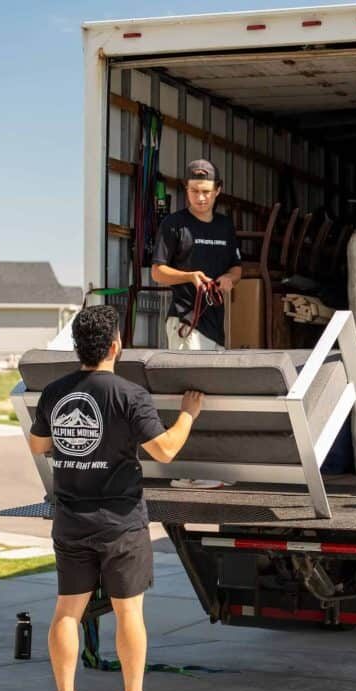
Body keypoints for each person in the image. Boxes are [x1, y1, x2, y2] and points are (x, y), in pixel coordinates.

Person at [27, 305, 204, 691]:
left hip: (70, 519)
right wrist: (188, 415)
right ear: (114, 346)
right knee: (129, 613)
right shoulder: (129, 395)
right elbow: (165, 451)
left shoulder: (55, 392)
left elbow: (38, 446)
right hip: (121, 523)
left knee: (67, 612)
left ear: (77, 348)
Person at [151, 158, 241, 490]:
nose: (199, 198)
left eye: (205, 191)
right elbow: (157, 271)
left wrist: (229, 279)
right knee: (190, 396)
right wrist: (189, 275)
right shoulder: (174, 225)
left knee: (211, 398)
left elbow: (236, 267)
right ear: (186, 191)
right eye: (193, 191)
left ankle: (206, 468)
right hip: (186, 321)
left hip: (216, 324)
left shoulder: (225, 227)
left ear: (217, 191)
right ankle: (186, 470)